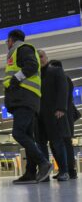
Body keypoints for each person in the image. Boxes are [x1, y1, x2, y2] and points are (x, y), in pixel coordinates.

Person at [3, 29, 52, 184]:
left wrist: (15, 79)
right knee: (28, 136)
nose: (7, 44)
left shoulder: (23, 48)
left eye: (7, 41)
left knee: (18, 133)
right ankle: (30, 173)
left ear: (11, 40)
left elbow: (31, 65)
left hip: (24, 98)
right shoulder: (17, 52)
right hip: (25, 99)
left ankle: (43, 163)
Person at [33, 51, 70, 181]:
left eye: (41, 56)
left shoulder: (56, 71)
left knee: (57, 143)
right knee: (41, 144)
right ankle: (45, 174)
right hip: (38, 115)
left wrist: (61, 108)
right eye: (37, 57)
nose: (40, 59)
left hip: (53, 113)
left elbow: (63, 88)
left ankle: (64, 171)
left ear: (46, 58)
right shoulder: (33, 75)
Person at [49, 59, 80, 179]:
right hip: (65, 117)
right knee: (59, 144)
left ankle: (69, 170)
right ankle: (65, 169)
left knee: (64, 143)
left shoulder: (63, 79)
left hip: (63, 117)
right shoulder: (65, 79)